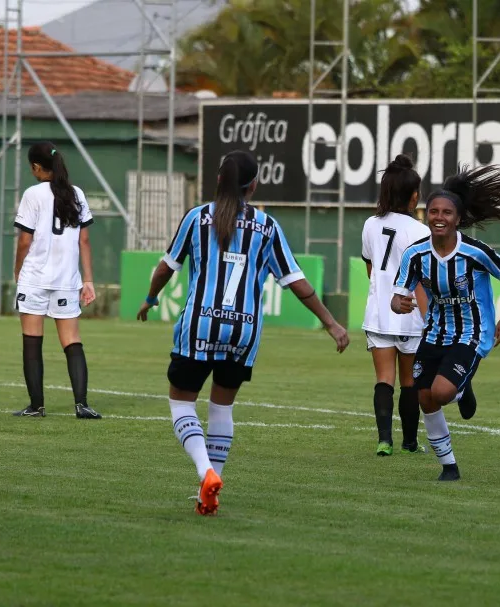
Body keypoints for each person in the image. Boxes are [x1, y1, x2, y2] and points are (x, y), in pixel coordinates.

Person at [137, 150, 349, 516]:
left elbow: (165, 268)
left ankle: (205, 473)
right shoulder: (267, 226)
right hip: (243, 331)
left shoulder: (197, 218)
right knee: (222, 408)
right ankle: (210, 486)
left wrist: (150, 298)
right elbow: (296, 281)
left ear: (218, 180)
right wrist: (331, 323)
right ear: (253, 185)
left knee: (181, 403)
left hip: (199, 325)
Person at [391, 164, 500, 481]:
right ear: (427, 215)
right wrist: (400, 304)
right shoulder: (415, 255)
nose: (439, 217)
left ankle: (459, 388)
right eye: (433, 211)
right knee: (425, 398)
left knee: (443, 392)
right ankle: (449, 466)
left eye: (446, 213)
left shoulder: (474, 252)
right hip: (434, 333)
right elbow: (397, 296)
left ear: (457, 219)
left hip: (472, 334)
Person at [12, 141, 102, 420]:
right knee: (72, 341)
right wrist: (88, 280)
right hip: (66, 280)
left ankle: (36, 406)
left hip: (35, 278)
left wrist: (17, 273)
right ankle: (82, 404)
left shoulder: (33, 194)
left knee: (32, 341)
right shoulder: (76, 193)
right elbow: (84, 240)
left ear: (37, 167)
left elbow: (24, 242)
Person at [361, 154, 431, 456]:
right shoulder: (421, 230)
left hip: (379, 313)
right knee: (409, 381)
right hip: (411, 314)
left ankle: (384, 440)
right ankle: (410, 442)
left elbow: (371, 269)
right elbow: (424, 280)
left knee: (383, 379)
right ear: (414, 195)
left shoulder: (370, 225)